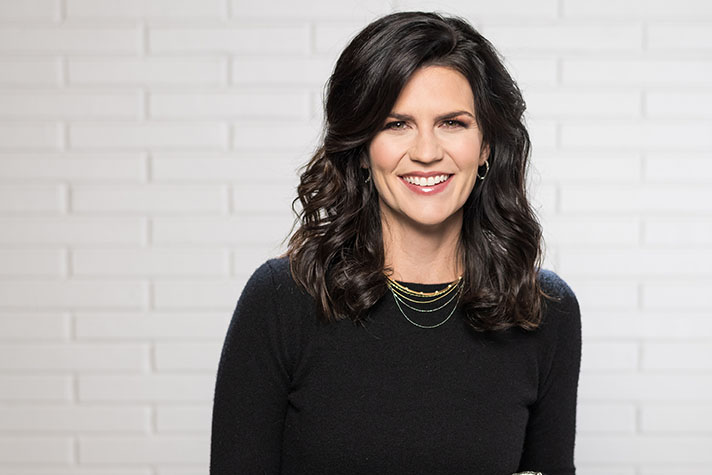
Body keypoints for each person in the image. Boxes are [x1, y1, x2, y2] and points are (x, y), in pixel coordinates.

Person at [210, 11, 581, 475]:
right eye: (396, 123)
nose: (426, 152)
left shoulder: (543, 310)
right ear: (362, 148)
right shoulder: (283, 299)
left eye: (452, 123)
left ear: (486, 145)